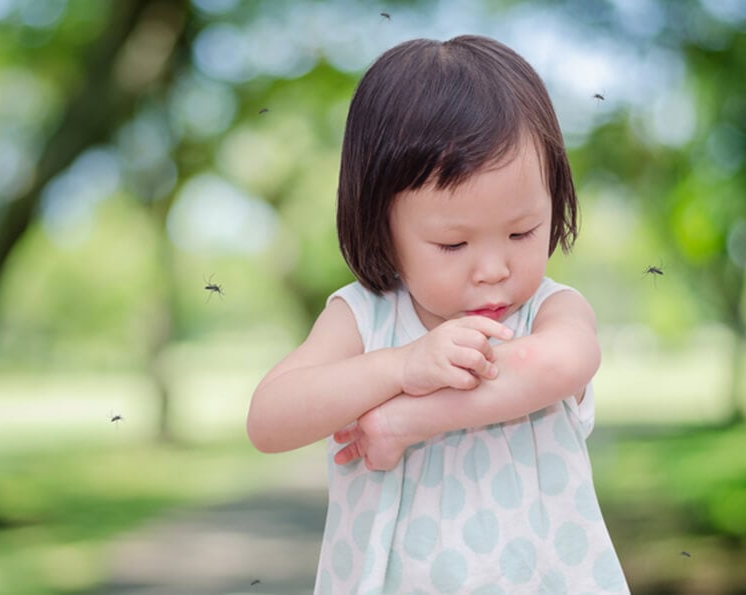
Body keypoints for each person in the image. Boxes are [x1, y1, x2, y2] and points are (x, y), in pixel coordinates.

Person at [246, 35, 629, 593]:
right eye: (453, 244)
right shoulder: (365, 319)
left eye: (523, 232)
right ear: (382, 227)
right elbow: (268, 420)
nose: (494, 268)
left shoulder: (549, 311)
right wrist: (399, 368)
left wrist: (408, 419)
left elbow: (564, 364)